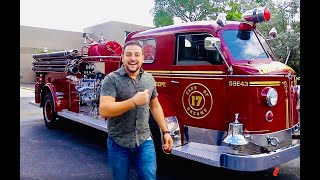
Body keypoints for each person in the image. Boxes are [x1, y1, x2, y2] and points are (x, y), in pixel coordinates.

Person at [99, 40, 173, 180]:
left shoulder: (149, 79)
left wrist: (166, 132)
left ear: (142, 58)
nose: (133, 58)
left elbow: (155, 106)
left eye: (137, 55)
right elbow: (104, 110)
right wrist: (133, 102)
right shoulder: (111, 79)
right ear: (122, 57)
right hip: (119, 143)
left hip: (145, 141)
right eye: (129, 54)